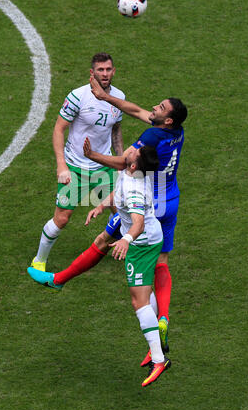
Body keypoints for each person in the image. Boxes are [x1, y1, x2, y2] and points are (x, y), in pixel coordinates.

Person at [27, 86, 188, 363]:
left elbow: (124, 162)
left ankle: (59, 281)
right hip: (170, 198)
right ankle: (163, 318)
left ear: (168, 120)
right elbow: (138, 111)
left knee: (124, 262)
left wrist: (94, 156)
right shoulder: (177, 132)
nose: (154, 109)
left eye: (160, 108)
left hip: (146, 204)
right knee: (159, 261)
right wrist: (108, 98)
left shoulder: (152, 136)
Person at [28, 142, 171, 387]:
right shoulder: (132, 172)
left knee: (139, 302)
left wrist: (126, 240)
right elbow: (119, 186)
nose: (130, 149)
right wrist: (101, 205)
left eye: (133, 152)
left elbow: (137, 223)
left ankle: (158, 359)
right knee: (143, 297)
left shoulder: (136, 187)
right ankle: (157, 344)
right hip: (149, 238)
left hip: (141, 244)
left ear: (134, 164)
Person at [30, 53, 125, 271]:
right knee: (62, 219)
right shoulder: (78, 96)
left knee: (122, 210)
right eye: (100, 70)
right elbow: (58, 128)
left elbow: (116, 131)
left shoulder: (118, 97)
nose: (105, 73)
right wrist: (62, 165)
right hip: (76, 168)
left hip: (104, 167)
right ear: (92, 73)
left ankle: (132, 252)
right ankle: (39, 260)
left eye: (108, 69)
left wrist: (121, 164)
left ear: (114, 71)